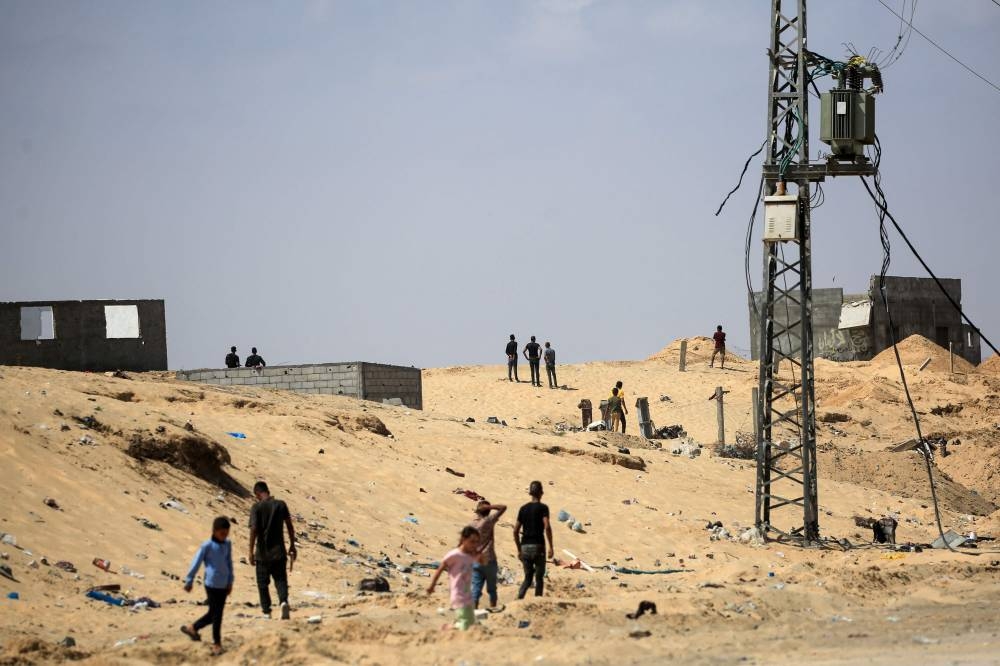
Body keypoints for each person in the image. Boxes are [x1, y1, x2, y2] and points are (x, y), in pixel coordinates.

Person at [181, 516, 233, 655]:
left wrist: (230, 581)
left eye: (226, 533)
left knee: (214, 613)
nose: (224, 536)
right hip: (211, 584)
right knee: (217, 615)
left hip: (224, 584)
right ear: (215, 531)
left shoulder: (227, 544)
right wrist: (189, 580)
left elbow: (229, 563)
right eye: (222, 533)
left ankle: (193, 628)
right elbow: (196, 562)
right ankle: (217, 643)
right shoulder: (207, 546)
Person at [248, 481, 296, 620]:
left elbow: (254, 529)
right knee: (280, 580)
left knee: (262, 584)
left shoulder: (256, 507)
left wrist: (250, 551)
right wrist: (292, 545)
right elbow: (290, 526)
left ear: (257, 494)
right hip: (279, 552)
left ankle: (267, 611)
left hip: (262, 553)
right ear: (268, 491)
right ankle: (283, 602)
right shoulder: (281, 505)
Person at [427, 526, 481, 631]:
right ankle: (448, 628)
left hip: (468, 595)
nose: (474, 545)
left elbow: (482, 562)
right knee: (465, 624)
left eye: (477, 542)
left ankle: (453, 626)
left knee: (470, 621)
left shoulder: (470, 555)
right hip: (458, 594)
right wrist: (432, 586)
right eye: (472, 541)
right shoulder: (455, 554)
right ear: (463, 539)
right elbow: (440, 568)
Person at [513, 480, 553, 599]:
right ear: (541, 493)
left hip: (525, 547)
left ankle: (518, 599)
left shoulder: (523, 508)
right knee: (539, 578)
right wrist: (551, 547)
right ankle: (537, 601)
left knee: (528, 578)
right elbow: (547, 526)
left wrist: (519, 549)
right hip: (538, 546)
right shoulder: (543, 508)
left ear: (530, 493)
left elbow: (515, 531)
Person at [469, 500, 507, 611]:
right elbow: (503, 507)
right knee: (492, 588)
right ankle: (493, 607)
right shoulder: (488, 521)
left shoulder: (471, 525)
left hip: (476, 560)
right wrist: (489, 507)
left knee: (476, 588)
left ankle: (474, 610)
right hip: (489, 559)